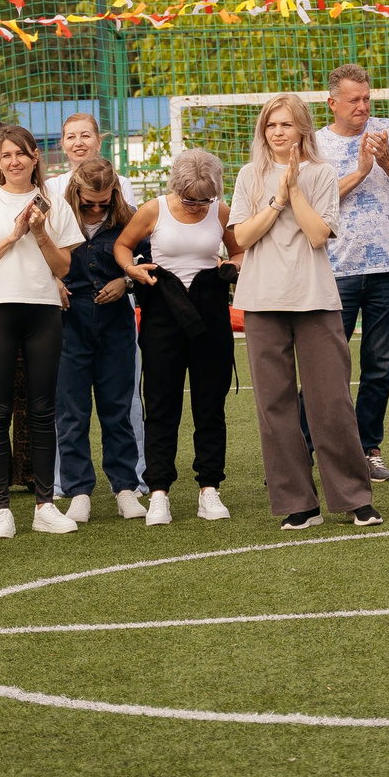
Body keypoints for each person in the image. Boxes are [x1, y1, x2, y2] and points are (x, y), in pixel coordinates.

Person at [232, 94, 379, 530]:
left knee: (330, 402)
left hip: (314, 299)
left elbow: (317, 235)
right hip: (261, 302)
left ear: (302, 131)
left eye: (287, 125)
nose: (278, 132)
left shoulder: (322, 173)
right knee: (273, 407)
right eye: (271, 125)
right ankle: (299, 503)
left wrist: (294, 190)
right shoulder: (248, 176)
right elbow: (242, 237)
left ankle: (354, 497)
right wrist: (276, 200)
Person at [0, 123, 82, 539]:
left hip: (43, 311)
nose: (13, 162)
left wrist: (40, 232)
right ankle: (2, 509)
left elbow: (63, 268)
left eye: (20, 154)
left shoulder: (54, 203)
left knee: (42, 412)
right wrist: (13, 235)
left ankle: (44, 504)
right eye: (5, 155)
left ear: (34, 157)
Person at [307, 64, 389, 483]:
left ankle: (367, 449)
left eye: (366, 98)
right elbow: (311, 204)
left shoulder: (387, 130)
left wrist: (387, 160)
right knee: (325, 368)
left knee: (379, 366)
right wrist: (359, 171)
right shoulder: (315, 143)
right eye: (353, 100)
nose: (362, 107)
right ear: (332, 102)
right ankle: (305, 451)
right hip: (334, 270)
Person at [117, 149, 238, 525]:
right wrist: (130, 271)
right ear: (175, 187)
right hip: (162, 316)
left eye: (204, 199)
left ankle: (209, 489)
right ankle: (158, 493)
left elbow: (240, 250)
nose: (197, 205)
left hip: (210, 315)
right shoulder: (153, 210)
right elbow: (123, 246)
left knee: (209, 406)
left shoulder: (221, 211)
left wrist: (232, 266)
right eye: (189, 199)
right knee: (161, 407)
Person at [56, 152, 151, 522]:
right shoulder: (55, 217)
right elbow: (41, 260)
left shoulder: (130, 218)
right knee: (73, 412)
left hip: (116, 320)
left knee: (117, 409)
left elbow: (146, 262)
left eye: (104, 202)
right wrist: (55, 285)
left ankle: (125, 486)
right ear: (75, 193)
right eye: (89, 203)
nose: (97, 210)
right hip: (68, 321)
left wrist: (125, 280)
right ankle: (78, 490)